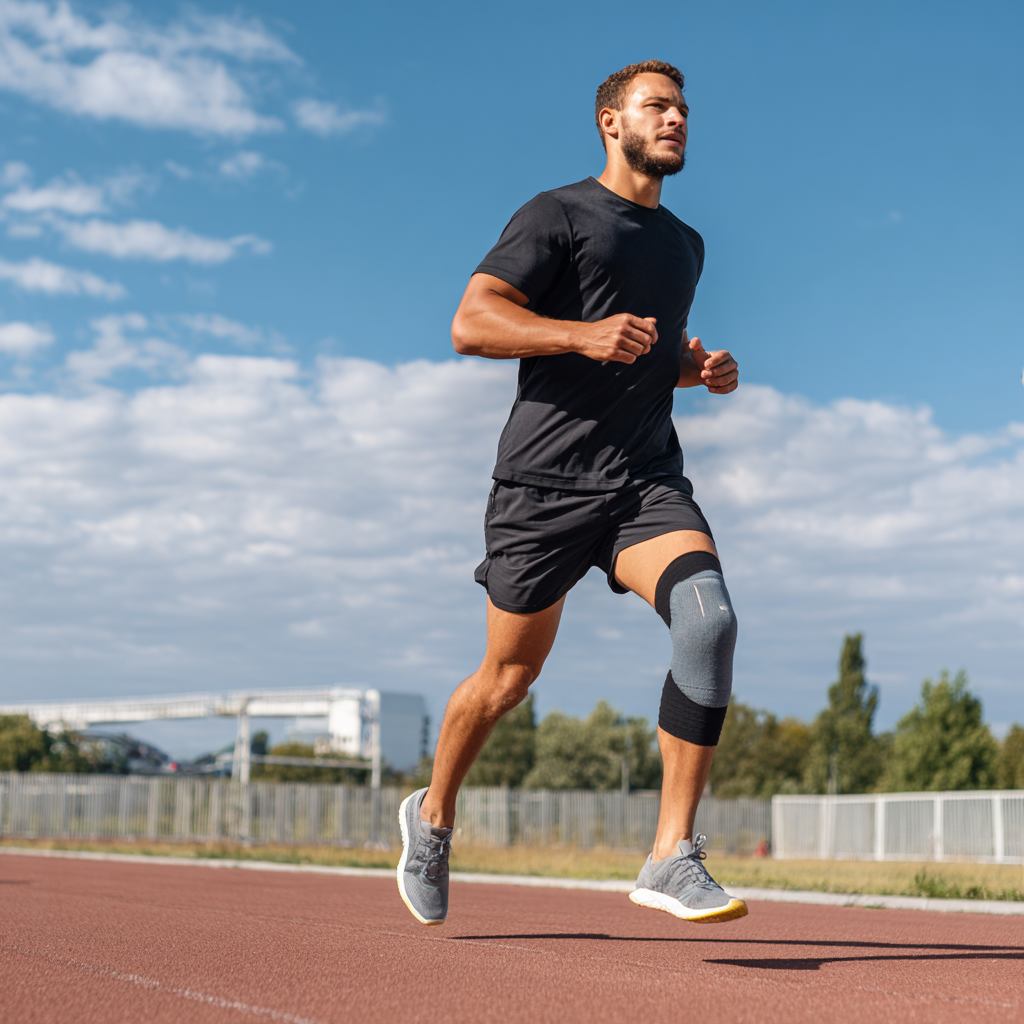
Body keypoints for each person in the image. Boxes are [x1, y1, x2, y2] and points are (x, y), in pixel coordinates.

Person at [397, 59, 745, 926]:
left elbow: (645, 354)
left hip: (642, 483)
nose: (676, 120)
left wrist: (688, 369)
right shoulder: (556, 214)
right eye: (656, 107)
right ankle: (433, 815)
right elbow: (471, 322)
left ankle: (671, 854)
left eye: (683, 109)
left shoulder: (685, 244)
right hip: (543, 488)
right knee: (507, 679)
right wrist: (582, 338)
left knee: (709, 620)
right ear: (610, 123)